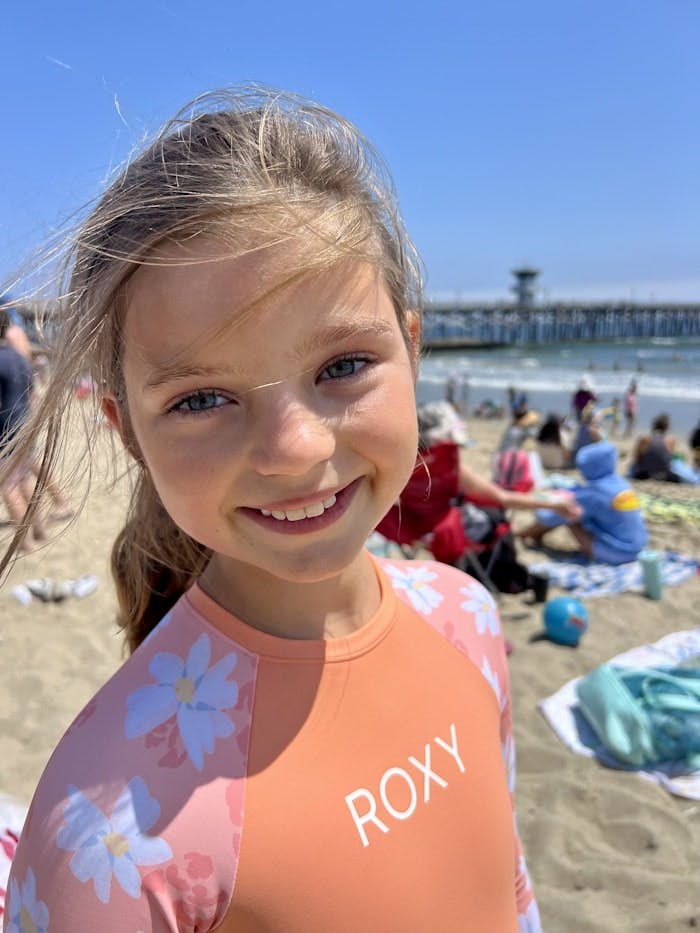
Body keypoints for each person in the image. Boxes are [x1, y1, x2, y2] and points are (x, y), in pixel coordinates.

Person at [1, 87, 541, 932]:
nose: (294, 448)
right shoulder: (106, 827)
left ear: (412, 345)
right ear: (127, 429)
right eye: (202, 397)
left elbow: (511, 889)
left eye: (343, 364)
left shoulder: (466, 618)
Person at [519, 441, 648, 564]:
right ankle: (532, 535)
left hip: (619, 554)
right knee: (577, 511)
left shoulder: (594, 493)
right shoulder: (621, 483)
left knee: (567, 512)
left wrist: (543, 505)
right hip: (639, 547)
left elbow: (548, 517)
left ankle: (524, 535)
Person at [629, 412, 677, 482]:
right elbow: (669, 458)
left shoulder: (644, 438)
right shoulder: (670, 440)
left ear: (653, 426)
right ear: (667, 427)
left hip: (645, 473)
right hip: (664, 474)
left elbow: (637, 458)